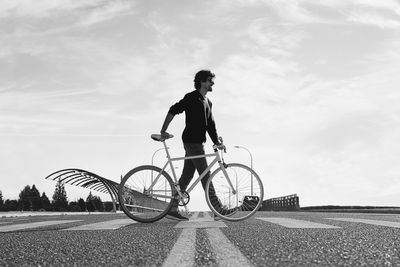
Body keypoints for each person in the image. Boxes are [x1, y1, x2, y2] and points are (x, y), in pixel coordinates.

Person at [160, 70, 228, 221]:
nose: (213, 83)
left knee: (187, 174)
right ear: (202, 82)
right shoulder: (191, 97)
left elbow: (211, 125)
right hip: (191, 141)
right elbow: (174, 109)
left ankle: (172, 207)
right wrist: (163, 129)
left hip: (198, 142)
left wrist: (216, 141)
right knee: (206, 175)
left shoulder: (208, 102)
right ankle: (218, 209)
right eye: (210, 80)